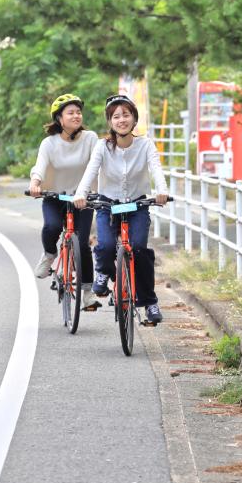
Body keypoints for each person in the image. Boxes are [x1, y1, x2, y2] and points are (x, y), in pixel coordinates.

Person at [74, 93, 169, 324]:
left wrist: (161, 191)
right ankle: (104, 272)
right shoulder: (102, 146)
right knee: (105, 246)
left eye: (126, 115)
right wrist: (81, 194)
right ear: (110, 122)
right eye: (116, 116)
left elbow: (156, 168)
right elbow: (91, 171)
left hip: (137, 205)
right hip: (109, 205)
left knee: (138, 249)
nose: (121, 120)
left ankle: (149, 303)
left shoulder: (145, 145)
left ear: (134, 119)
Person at [29, 93, 100, 310]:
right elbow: (40, 165)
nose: (76, 116)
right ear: (59, 118)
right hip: (55, 196)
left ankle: (87, 293)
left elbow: (98, 164)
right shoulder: (49, 143)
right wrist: (35, 182)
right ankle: (50, 255)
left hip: (82, 198)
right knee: (51, 227)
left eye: (78, 112)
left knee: (82, 244)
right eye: (71, 113)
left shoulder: (90, 138)